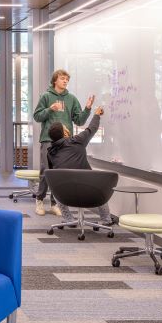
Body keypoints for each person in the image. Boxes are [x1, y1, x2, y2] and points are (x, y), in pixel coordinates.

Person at [32, 69, 94, 217]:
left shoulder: (71, 99)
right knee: (47, 171)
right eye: (62, 78)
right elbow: (37, 116)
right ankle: (40, 200)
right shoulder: (46, 96)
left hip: (65, 141)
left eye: (67, 79)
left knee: (60, 173)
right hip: (48, 139)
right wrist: (49, 109)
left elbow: (79, 120)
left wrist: (87, 108)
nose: (65, 81)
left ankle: (55, 203)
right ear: (55, 80)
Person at [47, 106, 112, 225]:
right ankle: (106, 220)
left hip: (64, 196)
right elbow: (92, 128)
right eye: (66, 128)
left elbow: (53, 175)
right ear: (65, 133)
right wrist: (97, 114)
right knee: (100, 186)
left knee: (56, 187)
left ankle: (69, 219)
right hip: (90, 193)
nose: (68, 128)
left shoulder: (50, 152)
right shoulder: (77, 140)